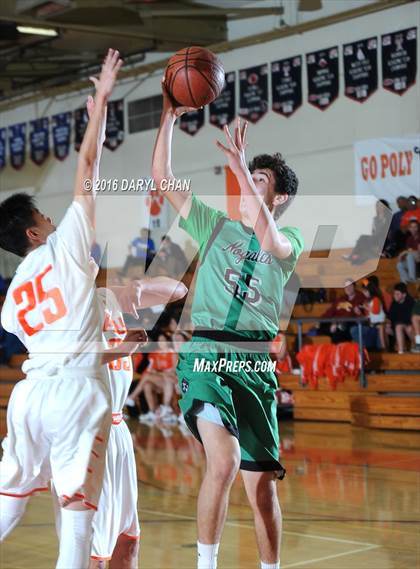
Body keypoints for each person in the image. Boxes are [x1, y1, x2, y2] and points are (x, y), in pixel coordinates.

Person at [152, 80, 303, 569]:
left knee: (262, 491)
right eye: (245, 176)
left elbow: (270, 238)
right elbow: (162, 176)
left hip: (255, 367)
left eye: (258, 180)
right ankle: (206, 564)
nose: (245, 183)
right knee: (224, 462)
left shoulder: (290, 239)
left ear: (278, 198)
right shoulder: (211, 223)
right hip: (207, 355)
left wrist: (241, 164)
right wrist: (169, 118)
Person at [0, 49, 123, 568]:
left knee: (8, 503)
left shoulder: (13, 294)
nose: (56, 219)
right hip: (76, 393)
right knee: (77, 514)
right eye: (46, 216)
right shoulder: (64, 246)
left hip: (28, 398)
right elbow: (89, 167)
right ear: (34, 232)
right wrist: (99, 106)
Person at [134, 333, 178, 424]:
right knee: (147, 384)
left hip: (170, 380)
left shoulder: (173, 353)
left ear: (167, 341)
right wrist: (159, 372)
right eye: (159, 341)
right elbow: (150, 369)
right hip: (159, 381)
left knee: (150, 377)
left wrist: (158, 372)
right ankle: (153, 412)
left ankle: (132, 397)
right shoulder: (154, 354)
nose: (161, 342)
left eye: (163, 340)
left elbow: (173, 371)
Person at [318, 279, 367, 343]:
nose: (348, 288)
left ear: (354, 286)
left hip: (349, 324)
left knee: (339, 331)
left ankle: (339, 349)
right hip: (336, 323)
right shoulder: (340, 299)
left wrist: (337, 323)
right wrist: (320, 320)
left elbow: (354, 315)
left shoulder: (360, 298)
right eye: (346, 286)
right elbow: (330, 311)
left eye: (350, 286)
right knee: (322, 326)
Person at [345, 199, 391, 264]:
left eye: (381, 206)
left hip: (384, 238)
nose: (379, 207)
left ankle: (354, 255)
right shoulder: (375, 218)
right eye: (378, 206)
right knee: (363, 239)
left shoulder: (389, 217)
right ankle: (355, 256)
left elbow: (386, 230)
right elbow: (373, 231)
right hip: (375, 238)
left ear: (385, 207)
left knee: (364, 239)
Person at [350, 281, 387, 350]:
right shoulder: (368, 301)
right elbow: (369, 316)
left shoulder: (376, 299)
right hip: (372, 325)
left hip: (379, 325)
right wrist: (360, 313)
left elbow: (375, 311)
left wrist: (365, 307)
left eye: (365, 291)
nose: (364, 293)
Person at [386, 283, 415, 354]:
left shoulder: (411, 303)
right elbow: (389, 317)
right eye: (394, 294)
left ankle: (403, 350)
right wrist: (388, 323)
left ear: (404, 295)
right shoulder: (394, 303)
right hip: (396, 327)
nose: (395, 296)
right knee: (388, 327)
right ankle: (393, 350)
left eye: (397, 294)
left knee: (404, 327)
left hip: (409, 327)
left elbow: (410, 319)